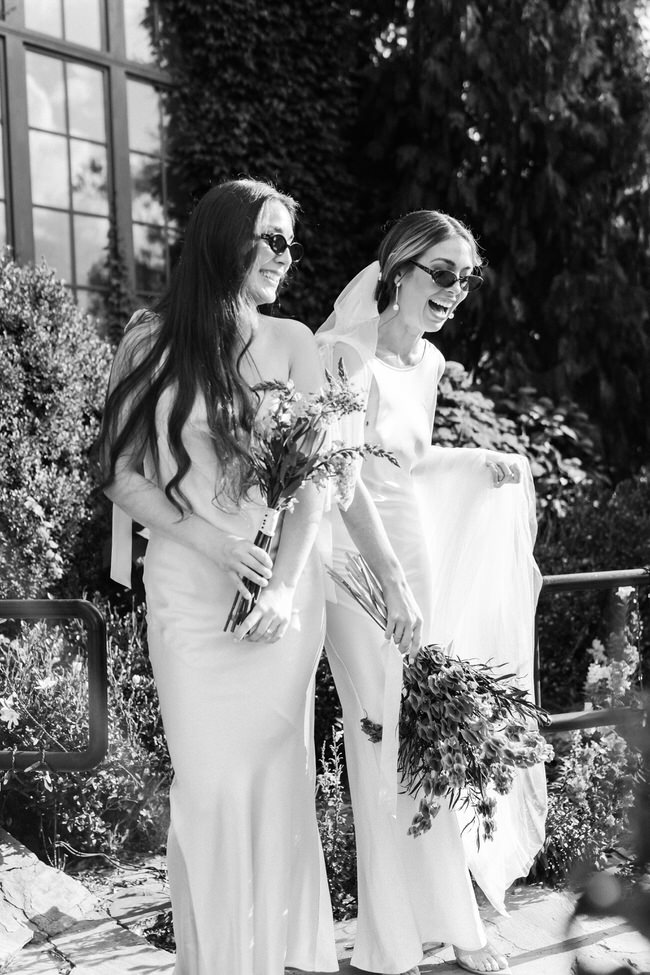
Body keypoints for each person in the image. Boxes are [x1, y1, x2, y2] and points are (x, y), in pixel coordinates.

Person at [99, 178, 338, 975]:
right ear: (223, 238)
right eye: (271, 239)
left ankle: (270, 958)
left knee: (276, 788)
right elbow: (120, 475)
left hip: (277, 602)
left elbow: (317, 482)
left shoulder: (297, 342)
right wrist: (208, 540)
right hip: (190, 598)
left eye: (290, 244)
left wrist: (281, 584)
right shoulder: (150, 341)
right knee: (207, 788)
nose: (285, 257)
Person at [316, 210, 547, 975]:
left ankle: (454, 925)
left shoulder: (432, 362)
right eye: (442, 273)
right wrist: (388, 583)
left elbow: (404, 459)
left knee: (426, 753)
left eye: (465, 277)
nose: (454, 291)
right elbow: (346, 482)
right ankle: (387, 944)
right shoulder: (342, 356)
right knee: (379, 746)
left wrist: (480, 460)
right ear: (399, 270)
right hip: (358, 577)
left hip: (419, 565)